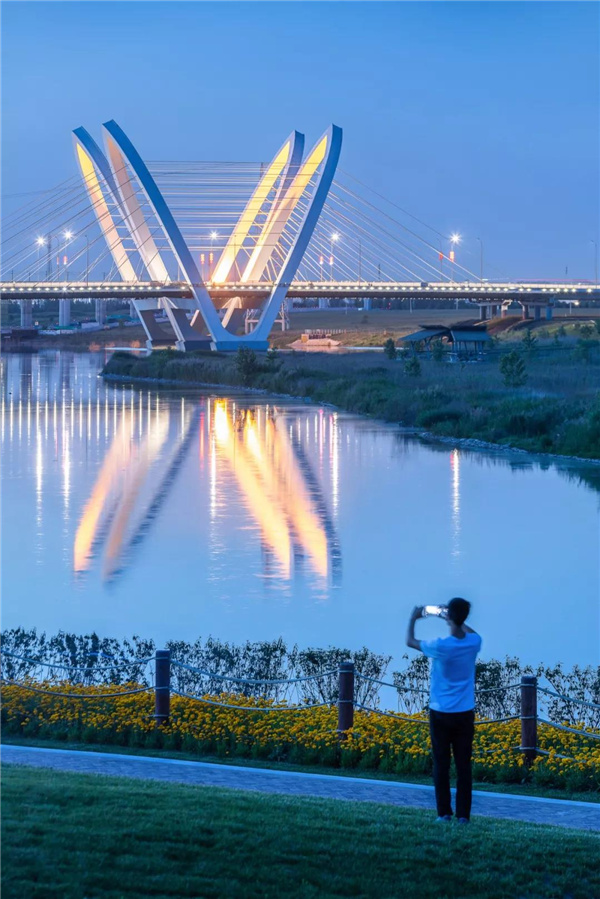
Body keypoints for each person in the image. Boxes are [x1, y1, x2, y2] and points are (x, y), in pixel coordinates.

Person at [405, 598, 482, 824]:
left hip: (440, 712)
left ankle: (444, 813)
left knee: (441, 764)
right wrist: (453, 618)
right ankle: (463, 816)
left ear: (449, 616)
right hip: (464, 712)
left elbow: (410, 641)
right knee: (463, 765)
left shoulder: (440, 646)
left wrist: (413, 618)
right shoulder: (474, 643)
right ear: (465, 617)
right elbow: (471, 633)